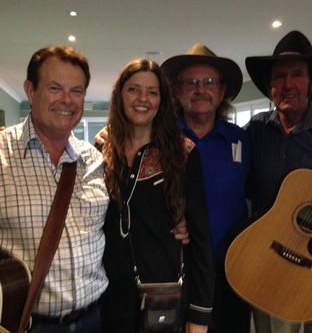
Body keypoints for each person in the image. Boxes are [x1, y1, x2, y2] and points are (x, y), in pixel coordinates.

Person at [244, 30, 312, 333]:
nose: (287, 84)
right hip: (268, 256)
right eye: (279, 76)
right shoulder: (254, 131)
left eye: (297, 75)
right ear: (269, 86)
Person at [0, 46, 110, 332]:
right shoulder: (1, 156)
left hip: (96, 318)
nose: (67, 100)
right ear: (30, 90)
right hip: (29, 324)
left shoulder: (94, 159)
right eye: (55, 87)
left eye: (77, 90)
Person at [102, 58, 214, 333]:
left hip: (163, 298)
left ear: (162, 101)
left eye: (152, 92)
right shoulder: (100, 151)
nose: (143, 98)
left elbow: (200, 239)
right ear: (120, 95)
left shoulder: (183, 153)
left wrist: (199, 316)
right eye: (133, 89)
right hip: (109, 300)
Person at [161, 44, 251, 333]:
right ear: (176, 91)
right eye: (191, 82)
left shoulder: (241, 141)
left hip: (232, 275)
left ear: (222, 91)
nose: (201, 89)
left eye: (209, 82)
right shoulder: (160, 139)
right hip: (176, 273)